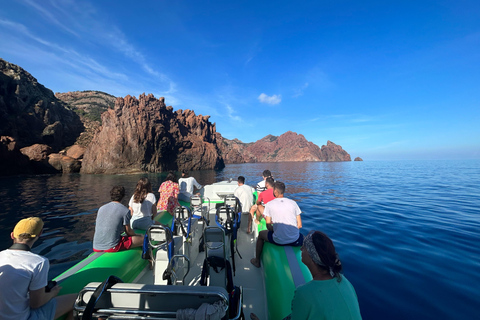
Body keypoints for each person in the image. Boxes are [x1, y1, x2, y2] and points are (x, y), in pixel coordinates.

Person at [251, 231, 362, 320]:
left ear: (312, 258)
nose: (300, 249)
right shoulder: (344, 281)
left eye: (304, 247)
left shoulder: (304, 293)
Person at [0, 217, 77, 320]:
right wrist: (52, 293)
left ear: (12, 235)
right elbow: (36, 304)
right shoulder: (39, 262)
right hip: (24, 318)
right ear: (39, 234)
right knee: (78, 299)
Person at [251, 181, 303, 268]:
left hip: (278, 240)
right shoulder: (293, 203)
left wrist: (277, 229)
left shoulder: (270, 204)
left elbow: (268, 226)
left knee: (260, 235)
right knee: (306, 239)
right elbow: (300, 225)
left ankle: (257, 261)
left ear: (275, 191)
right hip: (295, 239)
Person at [93, 186, 144, 252]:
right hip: (112, 246)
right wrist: (137, 235)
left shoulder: (101, 208)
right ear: (123, 196)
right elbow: (128, 232)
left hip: (96, 246)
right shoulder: (125, 211)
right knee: (144, 239)